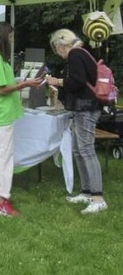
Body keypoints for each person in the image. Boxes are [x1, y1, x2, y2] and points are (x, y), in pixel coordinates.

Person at [0, 21, 42, 217]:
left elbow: (0, 83)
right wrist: (25, 84)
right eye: (10, 37)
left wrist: (21, 82)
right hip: (2, 113)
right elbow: (2, 89)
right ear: (2, 37)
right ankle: (1, 200)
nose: (12, 40)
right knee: (3, 157)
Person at [47, 29, 107, 214]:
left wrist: (58, 81)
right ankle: (86, 191)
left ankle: (98, 198)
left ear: (61, 44)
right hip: (83, 107)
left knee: (87, 150)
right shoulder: (83, 53)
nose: (58, 53)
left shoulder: (75, 54)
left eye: (56, 49)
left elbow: (78, 81)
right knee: (78, 150)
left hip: (86, 107)